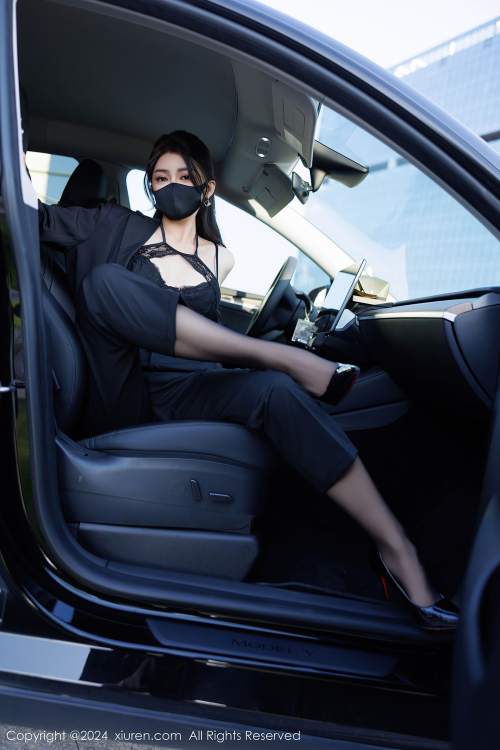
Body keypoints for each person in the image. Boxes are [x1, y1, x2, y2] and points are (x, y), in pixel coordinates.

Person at [33, 131, 459, 631]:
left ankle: (396, 547)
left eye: (184, 177)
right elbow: (35, 217)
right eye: (160, 178)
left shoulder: (221, 258)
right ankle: (279, 357)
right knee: (105, 284)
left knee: (275, 392)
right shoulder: (109, 224)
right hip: (122, 388)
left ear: (206, 189)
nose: (171, 187)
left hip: (190, 389)